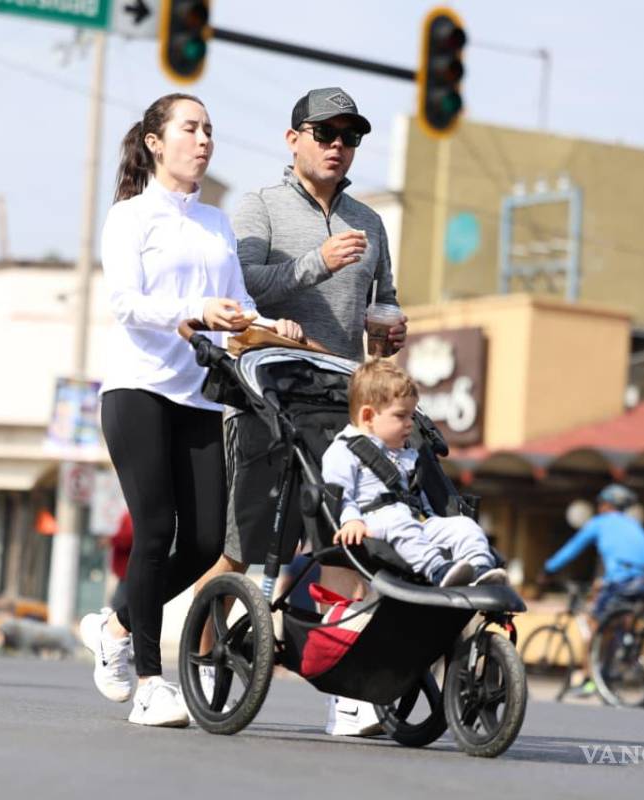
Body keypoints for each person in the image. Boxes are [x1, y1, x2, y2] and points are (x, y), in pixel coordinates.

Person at [77, 93, 302, 728]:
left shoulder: (216, 222)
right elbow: (125, 303)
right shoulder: (130, 217)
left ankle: (115, 625)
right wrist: (192, 312)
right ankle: (150, 682)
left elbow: (234, 306)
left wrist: (269, 325)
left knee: (205, 539)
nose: (203, 139)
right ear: (155, 141)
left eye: (209, 130)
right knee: (154, 532)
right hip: (138, 390)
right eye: (190, 128)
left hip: (200, 394)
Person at [197, 86, 406, 735]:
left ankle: (345, 693)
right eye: (327, 134)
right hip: (268, 396)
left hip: (340, 406)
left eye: (351, 137)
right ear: (295, 140)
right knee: (245, 549)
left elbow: (387, 302)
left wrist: (390, 334)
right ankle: (201, 661)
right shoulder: (258, 205)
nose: (340, 146)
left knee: (341, 547)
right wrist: (317, 261)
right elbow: (247, 285)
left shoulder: (370, 223)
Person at [321, 359, 505, 587]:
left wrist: (432, 519)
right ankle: (438, 570)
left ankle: (480, 569)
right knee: (399, 520)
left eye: (411, 416)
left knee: (464, 525)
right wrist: (351, 521)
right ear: (368, 417)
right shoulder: (343, 450)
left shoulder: (405, 454)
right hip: (374, 522)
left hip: (412, 520)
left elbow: (416, 494)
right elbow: (340, 494)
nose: (410, 424)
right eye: (401, 416)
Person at [540, 483, 644, 695]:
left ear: (605, 505)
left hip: (623, 579)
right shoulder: (634, 525)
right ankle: (619, 657)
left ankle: (590, 678)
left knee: (595, 624)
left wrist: (548, 570)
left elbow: (572, 549)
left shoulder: (600, 522)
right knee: (619, 622)